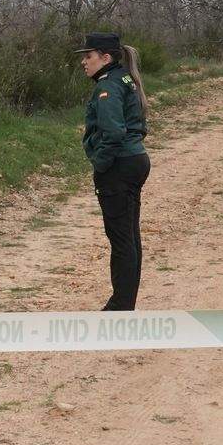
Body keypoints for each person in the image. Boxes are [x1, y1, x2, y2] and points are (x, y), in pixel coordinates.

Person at [76, 31, 150, 311]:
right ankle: (124, 303)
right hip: (135, 160)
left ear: (105, 57)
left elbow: (114, 131)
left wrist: (101, 163)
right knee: (129, 236)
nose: (84, 62)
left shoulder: (108, 86)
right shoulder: (125, 78)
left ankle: (120, 307)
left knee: (121, 239)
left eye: (89, 56)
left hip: (119, 165)